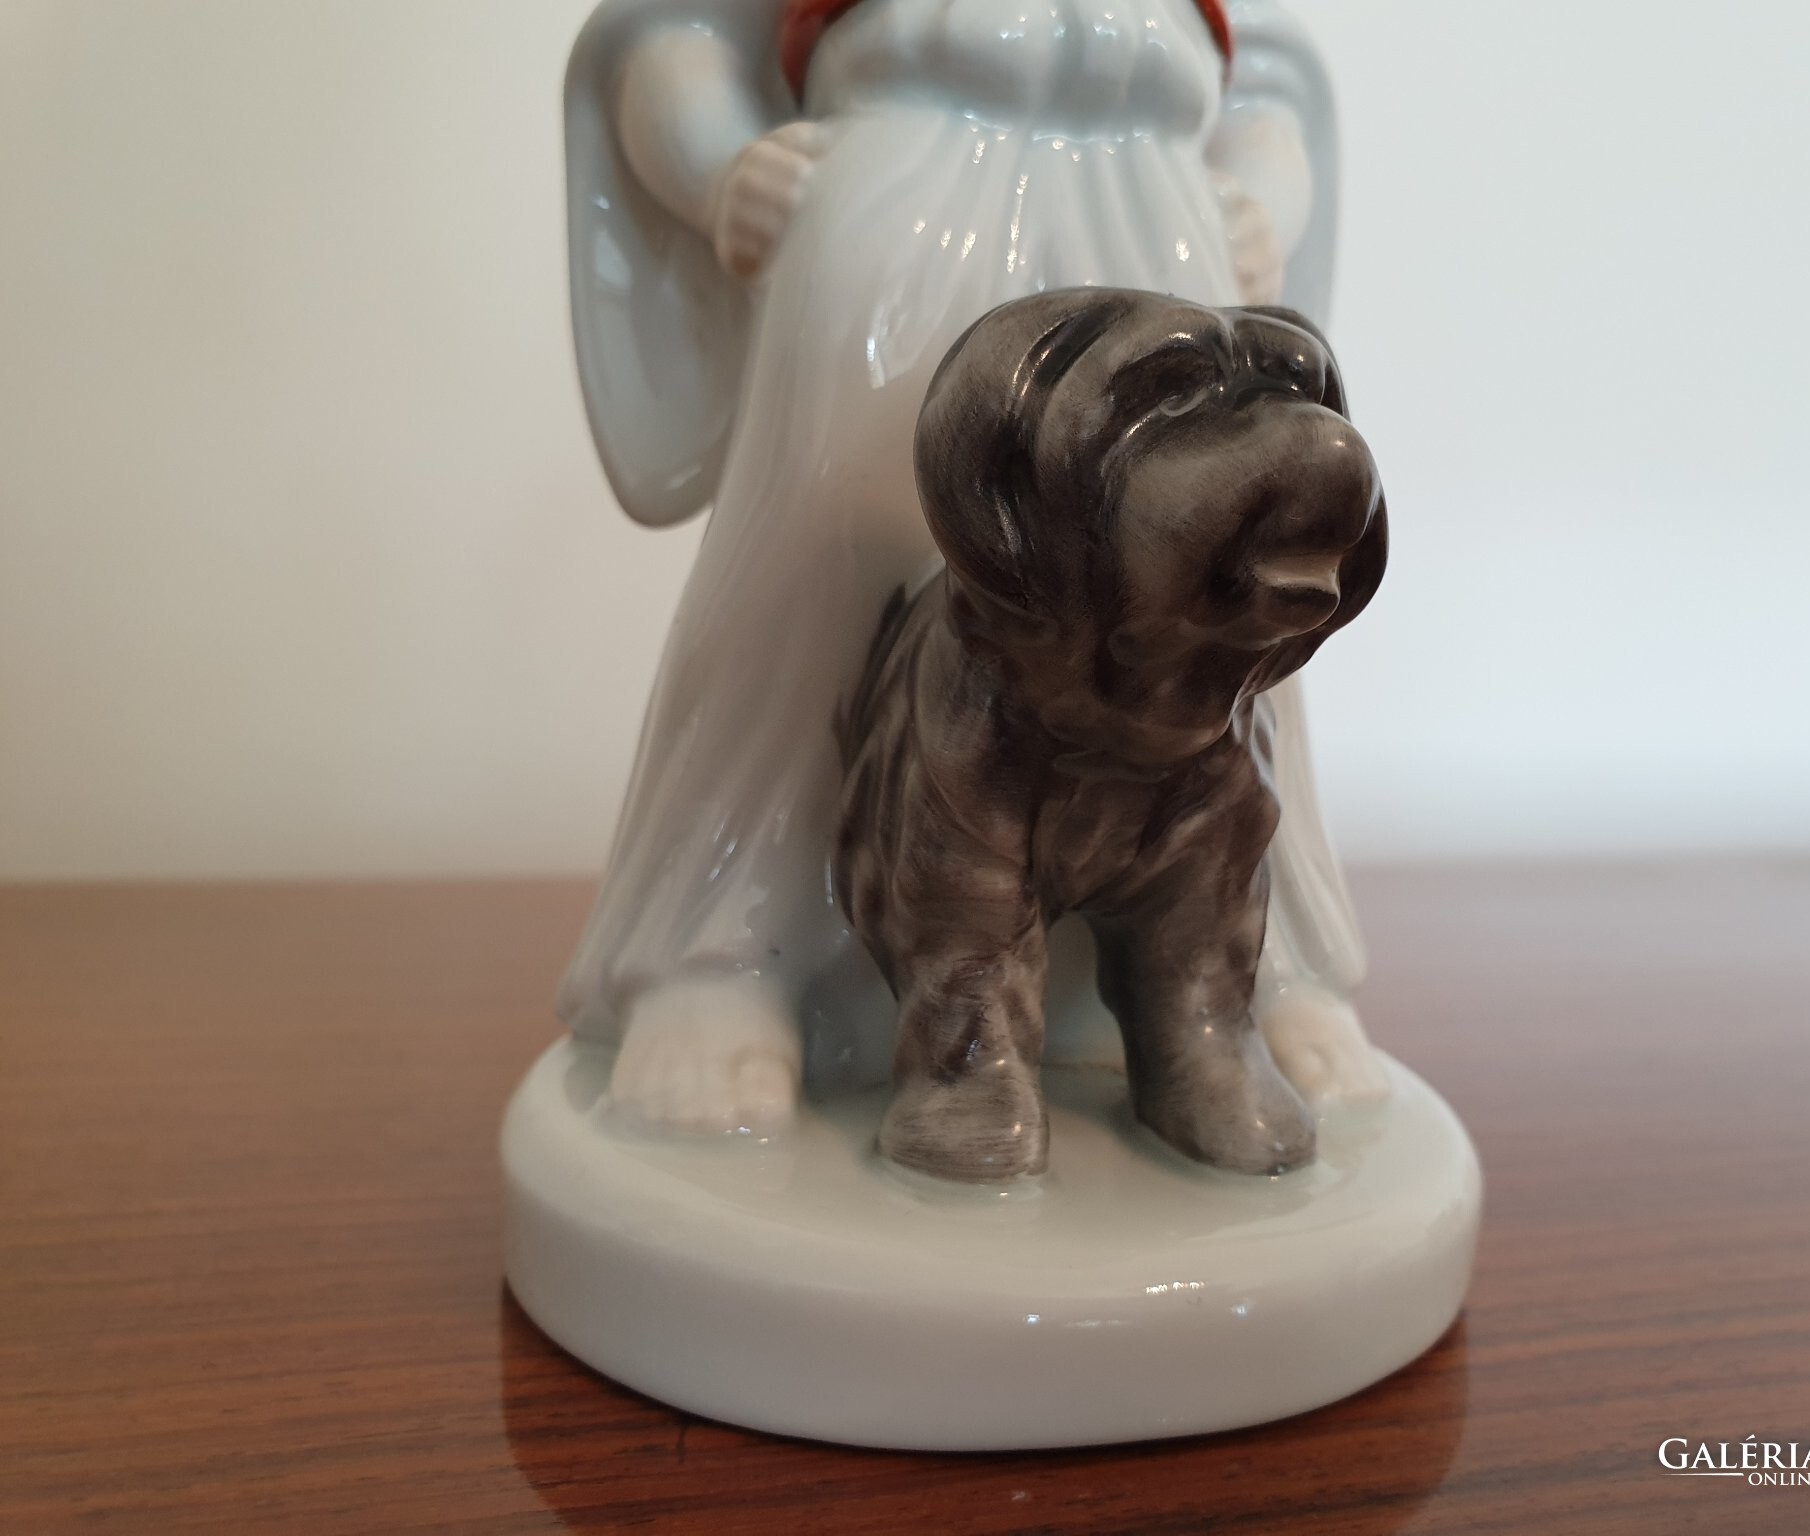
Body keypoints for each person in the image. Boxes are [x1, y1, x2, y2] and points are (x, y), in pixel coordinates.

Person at [560, 0, 1386, 1132]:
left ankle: (1254, 968)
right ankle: (724, 949)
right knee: (816, 573)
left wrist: (1260, 193)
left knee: (1219, 611)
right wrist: (717, 169)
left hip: (1158, 201)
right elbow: (678, 32)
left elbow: (1270, 77)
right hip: (902, 187)